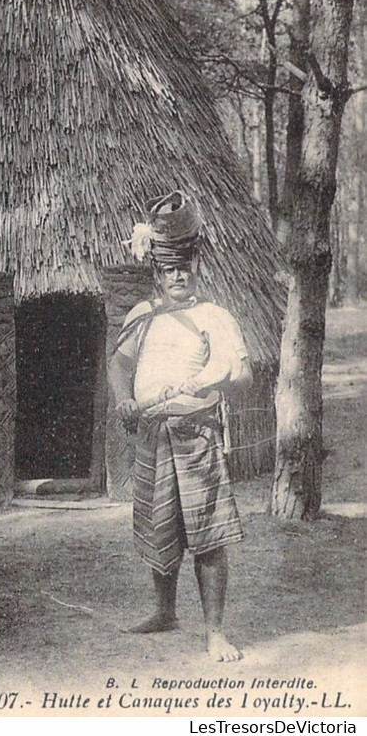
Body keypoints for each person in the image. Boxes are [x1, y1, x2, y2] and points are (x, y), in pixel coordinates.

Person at [109, 191, 253, 663]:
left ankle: (215, 632)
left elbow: (243, 375)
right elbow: (119, 364)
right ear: (157, 271)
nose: (177, 276)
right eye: (169, 269)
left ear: (195, 268)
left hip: (197, 435)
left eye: (184, 267)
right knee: (158, 526)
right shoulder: (142, 316)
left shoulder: (216, 317)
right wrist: (125, 399)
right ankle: (163, 611)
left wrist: (218, 383)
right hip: (153, 432)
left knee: (207, 536)